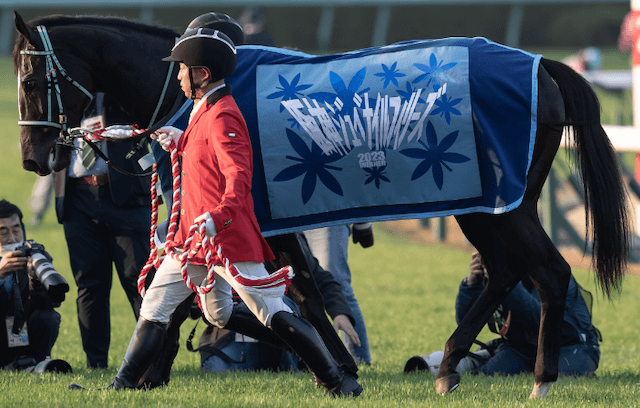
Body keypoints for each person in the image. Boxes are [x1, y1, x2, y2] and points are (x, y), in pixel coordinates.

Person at [71, 26, 361, 397]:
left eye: (181, 69)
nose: (176, 75)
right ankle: (121, 387)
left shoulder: (223, 115)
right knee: (174, 308)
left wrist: (217, 218)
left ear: (202, 75)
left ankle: (336, 381)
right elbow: (204, 160)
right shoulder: (202, 108)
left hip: (224, 239)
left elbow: (238, 178)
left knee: (270, 309)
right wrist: (183, 141)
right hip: (192, 239)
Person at [54, 92, 152, 369]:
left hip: (127, 197)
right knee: (89, 284)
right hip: (77, 198)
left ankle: (151, 359)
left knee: (139, 282)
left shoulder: (120, 85)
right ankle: (95, 364)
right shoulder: (62, 94)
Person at [412, 251, 600, 377]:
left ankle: (487, 354)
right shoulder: (501, 273)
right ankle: (478, 358)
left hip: (572, 347)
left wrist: (504, 281)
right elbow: (465, 322)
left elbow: (538, 319)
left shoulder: (547, 271)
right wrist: (472, 284)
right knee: (487, 375)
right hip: (523, 346)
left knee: (550, 375)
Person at [197, 232, 360, 374]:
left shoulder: (285, 234)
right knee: (215, 368)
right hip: (239, 334)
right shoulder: (218, 233)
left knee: (279, 300)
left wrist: (340, 313)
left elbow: (321, 279)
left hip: (286, 335)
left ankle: (300, 362)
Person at [0, 199, 63, 370]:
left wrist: (34, 280)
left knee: (48, 317)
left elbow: (53, 303)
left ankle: (38, 362)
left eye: (16, 229)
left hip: (23, 333)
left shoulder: (35, 255)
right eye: (3, 232)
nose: (12, 238)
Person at [303, 223, 374, 365]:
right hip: (290, 219)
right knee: (298, 286)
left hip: (326, 214)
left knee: (335, 283)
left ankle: (358, 358)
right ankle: (307, 359)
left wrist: (363, 223)